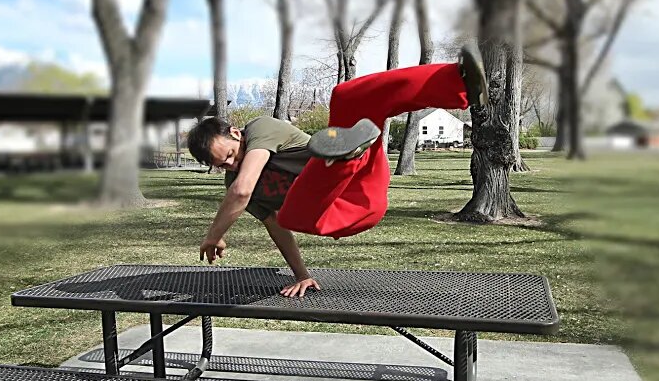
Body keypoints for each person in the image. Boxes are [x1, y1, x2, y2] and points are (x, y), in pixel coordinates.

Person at [186, 44, 489, 298]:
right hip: (347, 212)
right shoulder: (234, 183)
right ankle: (342, 155)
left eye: (228, 155)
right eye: (221, 165)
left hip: (364, 178)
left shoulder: (261, 129)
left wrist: (214, 236)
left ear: (236, 134)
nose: (230, 165)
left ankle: (458, 82)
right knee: (289, 215)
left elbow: (242, 189)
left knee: (347, 95)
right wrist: (302, 274)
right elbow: (277, 228)